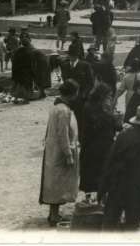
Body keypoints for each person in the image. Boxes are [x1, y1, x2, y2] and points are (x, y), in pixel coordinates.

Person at [100, 105, 140, 231]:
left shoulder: (124, 135)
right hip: (135, 189)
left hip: (117, 183)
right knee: (131, 225)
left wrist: (104, 186)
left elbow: (110, 160)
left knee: (110, 222)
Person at [40, 80, 80, 226]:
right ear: (72, 94)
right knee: (58, 184)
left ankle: (53, 213)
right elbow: (63, 134)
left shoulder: (56, 107)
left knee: (55, 183)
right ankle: (54, 215)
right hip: (60, 151)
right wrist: (68, 154)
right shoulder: (63, 111)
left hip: (54, 150)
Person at [79, 83, 122, 198]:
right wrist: (112, 116)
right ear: (102, 96)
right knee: (100, 172)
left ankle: (95, 198)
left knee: (94, 173)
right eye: (109, 96)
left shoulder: (90, 106)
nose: (110, 99)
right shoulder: (94, 108)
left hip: (94, 144)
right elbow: (103, 124)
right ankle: (97, 199)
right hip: (98, 145)